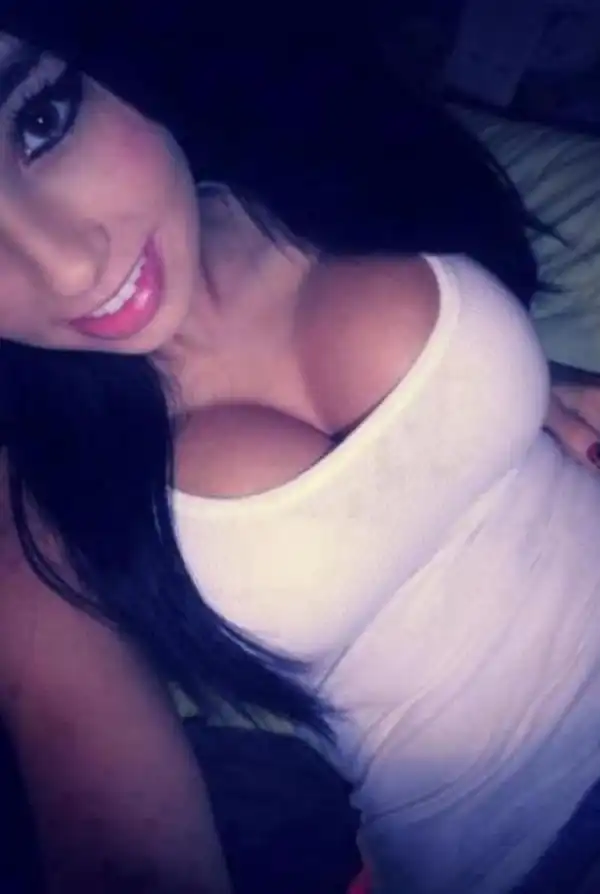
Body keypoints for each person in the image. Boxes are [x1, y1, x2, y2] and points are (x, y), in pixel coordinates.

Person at [0, 4, 598, 893]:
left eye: (41, 119)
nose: (67, 267)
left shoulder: (319, 155)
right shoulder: (34, 501)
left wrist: (532, 382)